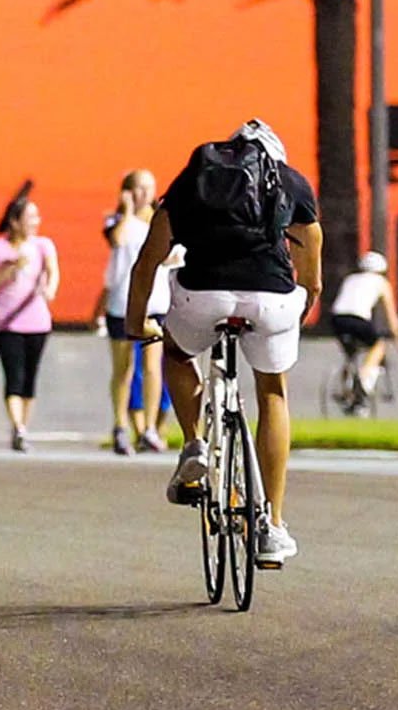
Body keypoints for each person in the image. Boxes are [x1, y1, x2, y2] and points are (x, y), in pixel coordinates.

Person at [120, 119, 319, 571]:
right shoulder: (288, 181)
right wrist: (309, 295)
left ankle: (193, 444)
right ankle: (272, 525)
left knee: (175, 352)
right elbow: (312, 248)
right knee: (272, 390)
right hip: (270, 295)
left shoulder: (195, 179)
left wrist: (138, 324)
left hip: (202, 296)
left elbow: (148, 259)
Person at [0, 189, 60, 451]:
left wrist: (49, 289)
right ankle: (17, 426)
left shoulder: (43, 245)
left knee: (29, 378)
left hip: (38, 321)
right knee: (13, 375)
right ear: (14, 221)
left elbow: (52, 270)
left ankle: (23, 428)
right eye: (29, 216)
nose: (35, 221)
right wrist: (11, 269)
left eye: (36, 216)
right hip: (8, 323)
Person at [100, 170, 166, 454]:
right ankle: (120, 425)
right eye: (137, 188)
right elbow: (118, 240)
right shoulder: (117, 221)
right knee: (123, 368)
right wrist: (127, 211)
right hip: (122, 303)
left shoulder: (161, 221)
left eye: (148, 188)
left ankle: (149, 427)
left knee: (152, 366)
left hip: (156, 302)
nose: (143, 193)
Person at [324, 250, 398, 411]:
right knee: (379, 345)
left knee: (350, 354)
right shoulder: (381, 282)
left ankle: (347, 391)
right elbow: (391, 316)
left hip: (337, 319)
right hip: (357, 319)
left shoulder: (350, 279)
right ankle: (364, 378)